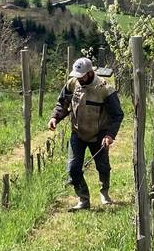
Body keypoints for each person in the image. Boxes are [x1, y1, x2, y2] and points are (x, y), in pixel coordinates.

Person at [48, 57, 124, 211]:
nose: (79, 78)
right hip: (77, 133)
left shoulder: (104, 88)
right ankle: (83, 199)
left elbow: (117, 115)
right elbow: (63, 102)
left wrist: (110, 135)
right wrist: (55, 117)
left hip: (99, 134)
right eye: (76, 75)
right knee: (73, 168)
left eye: (81, 75)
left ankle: (104, 192)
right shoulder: (72, 83)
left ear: (90, 73)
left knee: (103, 167)